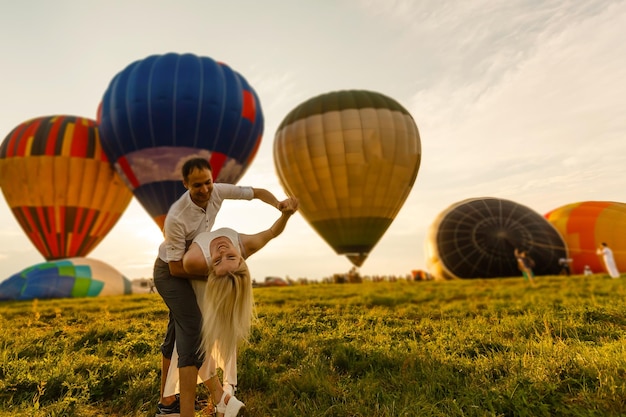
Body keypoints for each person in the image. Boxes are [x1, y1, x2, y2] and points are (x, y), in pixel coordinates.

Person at [154, 157, 289, 417]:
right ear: (185, 184)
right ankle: (210, 401)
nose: (205, 190)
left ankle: (167, 402)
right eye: (197, 186)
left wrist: (279, 205)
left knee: (176, 334)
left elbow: (257, 193)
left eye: (208, 182)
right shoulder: (177, 220)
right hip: (172, 272)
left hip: (202, 268)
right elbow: (174, 269)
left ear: (212, 179)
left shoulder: (218, 193)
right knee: (192, 331)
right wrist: (218, 274)